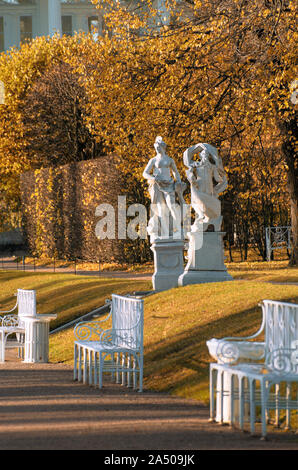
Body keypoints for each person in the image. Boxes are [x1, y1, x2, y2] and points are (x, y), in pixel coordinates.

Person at [143, 136, 185, 239]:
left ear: (163, 147)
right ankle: (165, 234)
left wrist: (178, 182)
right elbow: (145, 173)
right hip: (157, 185)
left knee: (171, 205)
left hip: (169, 185)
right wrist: (153, 178)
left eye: (159, 147)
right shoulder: (153, 160)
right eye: (156, 147)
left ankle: (178, 229)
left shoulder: (169, 160)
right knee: (161, 209)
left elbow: (175, 172)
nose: (157, 149)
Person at [183, 143, 227, 231]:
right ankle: (200, 217)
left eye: (207, 154)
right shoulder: (196, 164)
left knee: (208, 204)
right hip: (199, 186)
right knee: (198, 202)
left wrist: (223, 180)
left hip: (209, 188)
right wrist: (199, 146)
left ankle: (210, 221)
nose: (205, 156)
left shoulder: (212, 167)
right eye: (203, 154)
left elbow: (218, 179)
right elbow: (187, 156)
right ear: (200, 155)